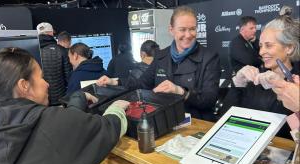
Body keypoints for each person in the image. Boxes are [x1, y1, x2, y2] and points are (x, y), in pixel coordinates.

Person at [0, 47, 129, 164]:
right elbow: (105, 128)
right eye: (41, 77)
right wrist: (116, 110)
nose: (47, 83)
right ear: (24, 85)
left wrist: (79, 98)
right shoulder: (49, 122)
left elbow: (67, 124)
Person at [98, 6, 221, 121]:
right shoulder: (161, 56)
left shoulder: (209, 58)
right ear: (171, 30)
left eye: (192, 29)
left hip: (196, 123)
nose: (188, 35)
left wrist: (181, 91)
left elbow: (209, 100)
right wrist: (115, 82)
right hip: (165, 121)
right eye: (182, 30)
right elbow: (141, 84)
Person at [221, 9, 300, 139]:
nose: (261, 52)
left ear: (289, 48)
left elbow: (295, 136)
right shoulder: (255, 79)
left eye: (268, 46)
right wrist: (237, 84)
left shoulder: (297, 83)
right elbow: (225, 119)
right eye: (261, 46)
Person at [37, 22, 70, 106]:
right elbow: (68, 77)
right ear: (51, 33)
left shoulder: (32, 50)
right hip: (60, 99)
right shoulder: (62, 50)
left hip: (40, 100)